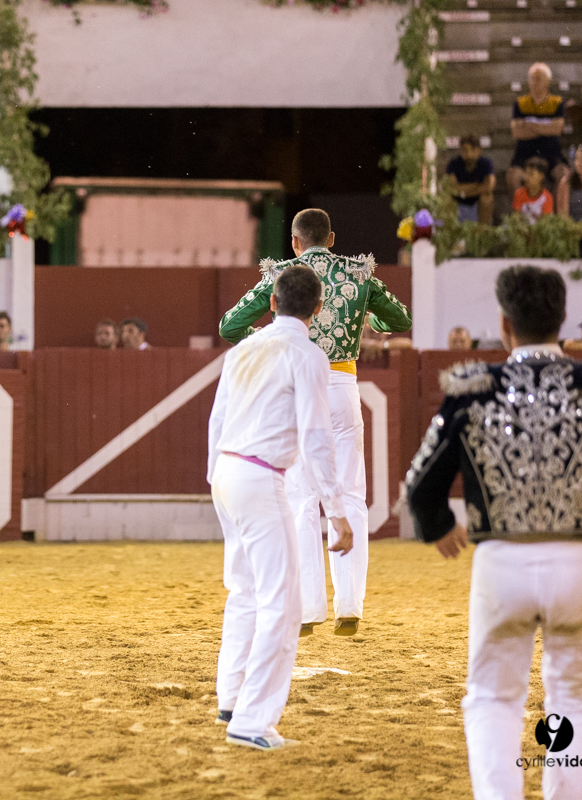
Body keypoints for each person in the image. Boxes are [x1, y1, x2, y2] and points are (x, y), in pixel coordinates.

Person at [406, 265, 582, 800]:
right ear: (562, 319)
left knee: (494, 698)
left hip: (500, 561)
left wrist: (439, 525)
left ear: (504, 324)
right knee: (578, 698)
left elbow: (420, 481)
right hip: (579, 562)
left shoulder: (474, 390)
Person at [220, 208, 412, 638]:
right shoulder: (359, 275)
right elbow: (400, 320)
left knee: (301, 499)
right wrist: (366, 318)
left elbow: (230, 325)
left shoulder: (282, 275)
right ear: (332, 238)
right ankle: (350, 606)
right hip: (343, 385)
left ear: (294, 242)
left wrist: (268, 344)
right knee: (350, 494)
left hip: (296, 386)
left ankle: (309, 609)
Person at [208, 265, 354, 751]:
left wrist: (215, 477)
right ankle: (251, 720)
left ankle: (230, 697)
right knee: (282, 603)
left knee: (244, 590)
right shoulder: (309, 354)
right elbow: (316, 438)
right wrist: (335, 509)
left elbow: (218, 418)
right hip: (260, 476)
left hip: (227, 471)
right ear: (317, 310)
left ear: (271, 303)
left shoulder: (244, 348)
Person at [507, 62, 566, 193]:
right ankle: (521, 213)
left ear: (548, 81)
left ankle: (557, 213)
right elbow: (517, 132)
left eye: (539, 78)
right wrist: (545, 128)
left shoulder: (556, 103)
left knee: (563, 175)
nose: (535, 81)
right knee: (513, 176)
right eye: (532, 78)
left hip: (551, 152)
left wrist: (529, 125)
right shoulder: (520, 103)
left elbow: (557, 129)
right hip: (525, 152)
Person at [445, 135, 495, 225]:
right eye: (465, 150)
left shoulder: (486, 164)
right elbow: (451, 187)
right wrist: (476, 185)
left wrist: (463, 191)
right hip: (458, 198)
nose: (469, 154)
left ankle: (483, 231)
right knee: (446, 199)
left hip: (477, 198)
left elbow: (489, 186)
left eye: (473, 150)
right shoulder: (453, 164)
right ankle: (451, 232)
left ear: (479, 150)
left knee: (487, 198)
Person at [513, 156, 554, 224]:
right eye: (526, 173)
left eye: (531, 174)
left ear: (541, 176)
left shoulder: (547, 197)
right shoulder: (519, 194)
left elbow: (546, 223)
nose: (527, 177)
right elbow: (517, 219)